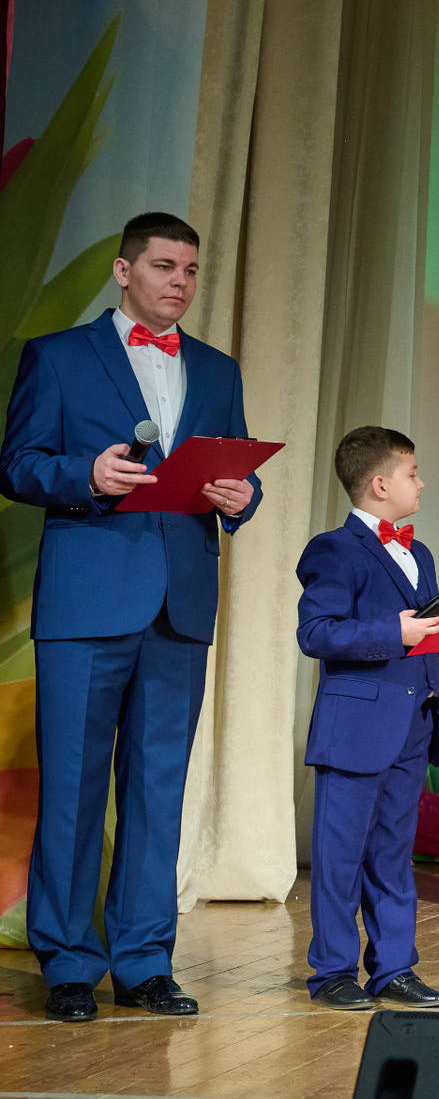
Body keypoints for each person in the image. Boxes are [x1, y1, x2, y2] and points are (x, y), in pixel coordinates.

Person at [1, 214, 261, 1023]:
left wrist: (242, 495)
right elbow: (17, 463)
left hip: (179, 603)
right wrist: (85, 474)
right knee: (73, 789)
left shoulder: (217, 368)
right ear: (123, 271)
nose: (180, 281)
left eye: (190, 269)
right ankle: (69, 962)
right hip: (87, 601)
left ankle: (145, 960)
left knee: (158, 788)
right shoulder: (59, 355)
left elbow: (237, 467)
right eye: (163, 265)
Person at [295, 427, 439, 1009]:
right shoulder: (334, 549)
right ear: (380, 484)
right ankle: (332, 972)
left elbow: (423, 633)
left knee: (391, 854)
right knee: (340, 857)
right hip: (357, 726)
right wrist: (394, 630)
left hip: (413, 721)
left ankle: (393, 969)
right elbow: (316, 633)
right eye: (412, 473)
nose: (421, 483)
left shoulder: (418, 552)